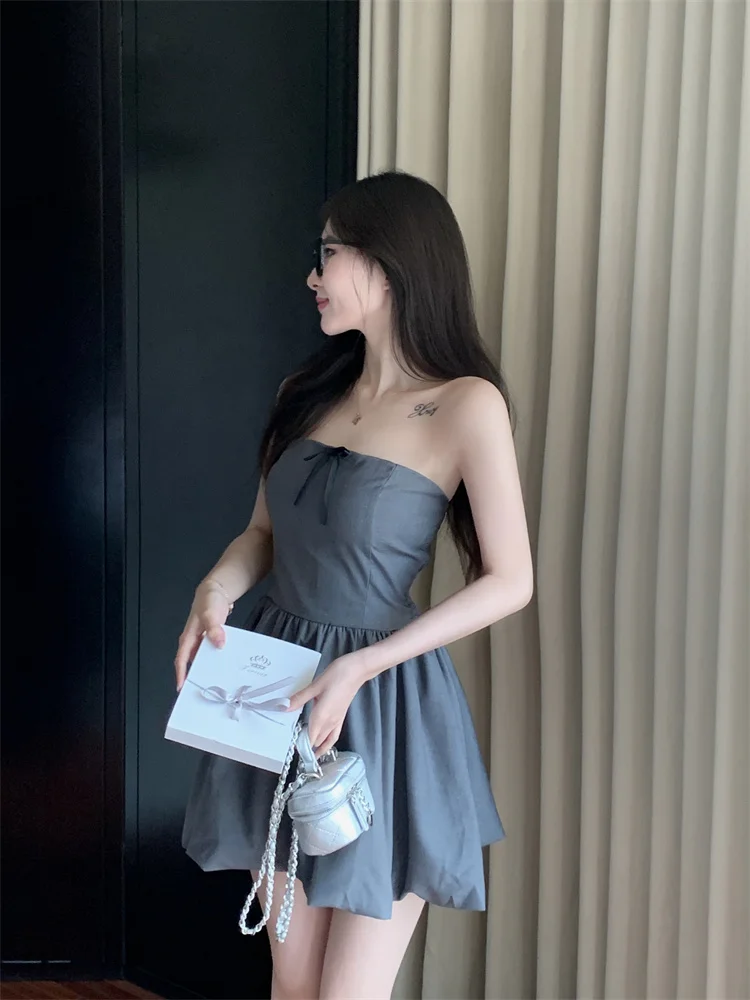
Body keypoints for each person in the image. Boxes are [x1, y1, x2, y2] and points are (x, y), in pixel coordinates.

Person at [175, 170, 533, 1000]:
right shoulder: (305, 395)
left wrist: (363, 666)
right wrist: (215, 591)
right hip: (275, 686)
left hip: (386, 701)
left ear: (390, 264)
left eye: (328, 253)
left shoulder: (464, 405)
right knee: (294, 983)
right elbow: (263, 536)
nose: (313, 274)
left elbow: (511, 580)